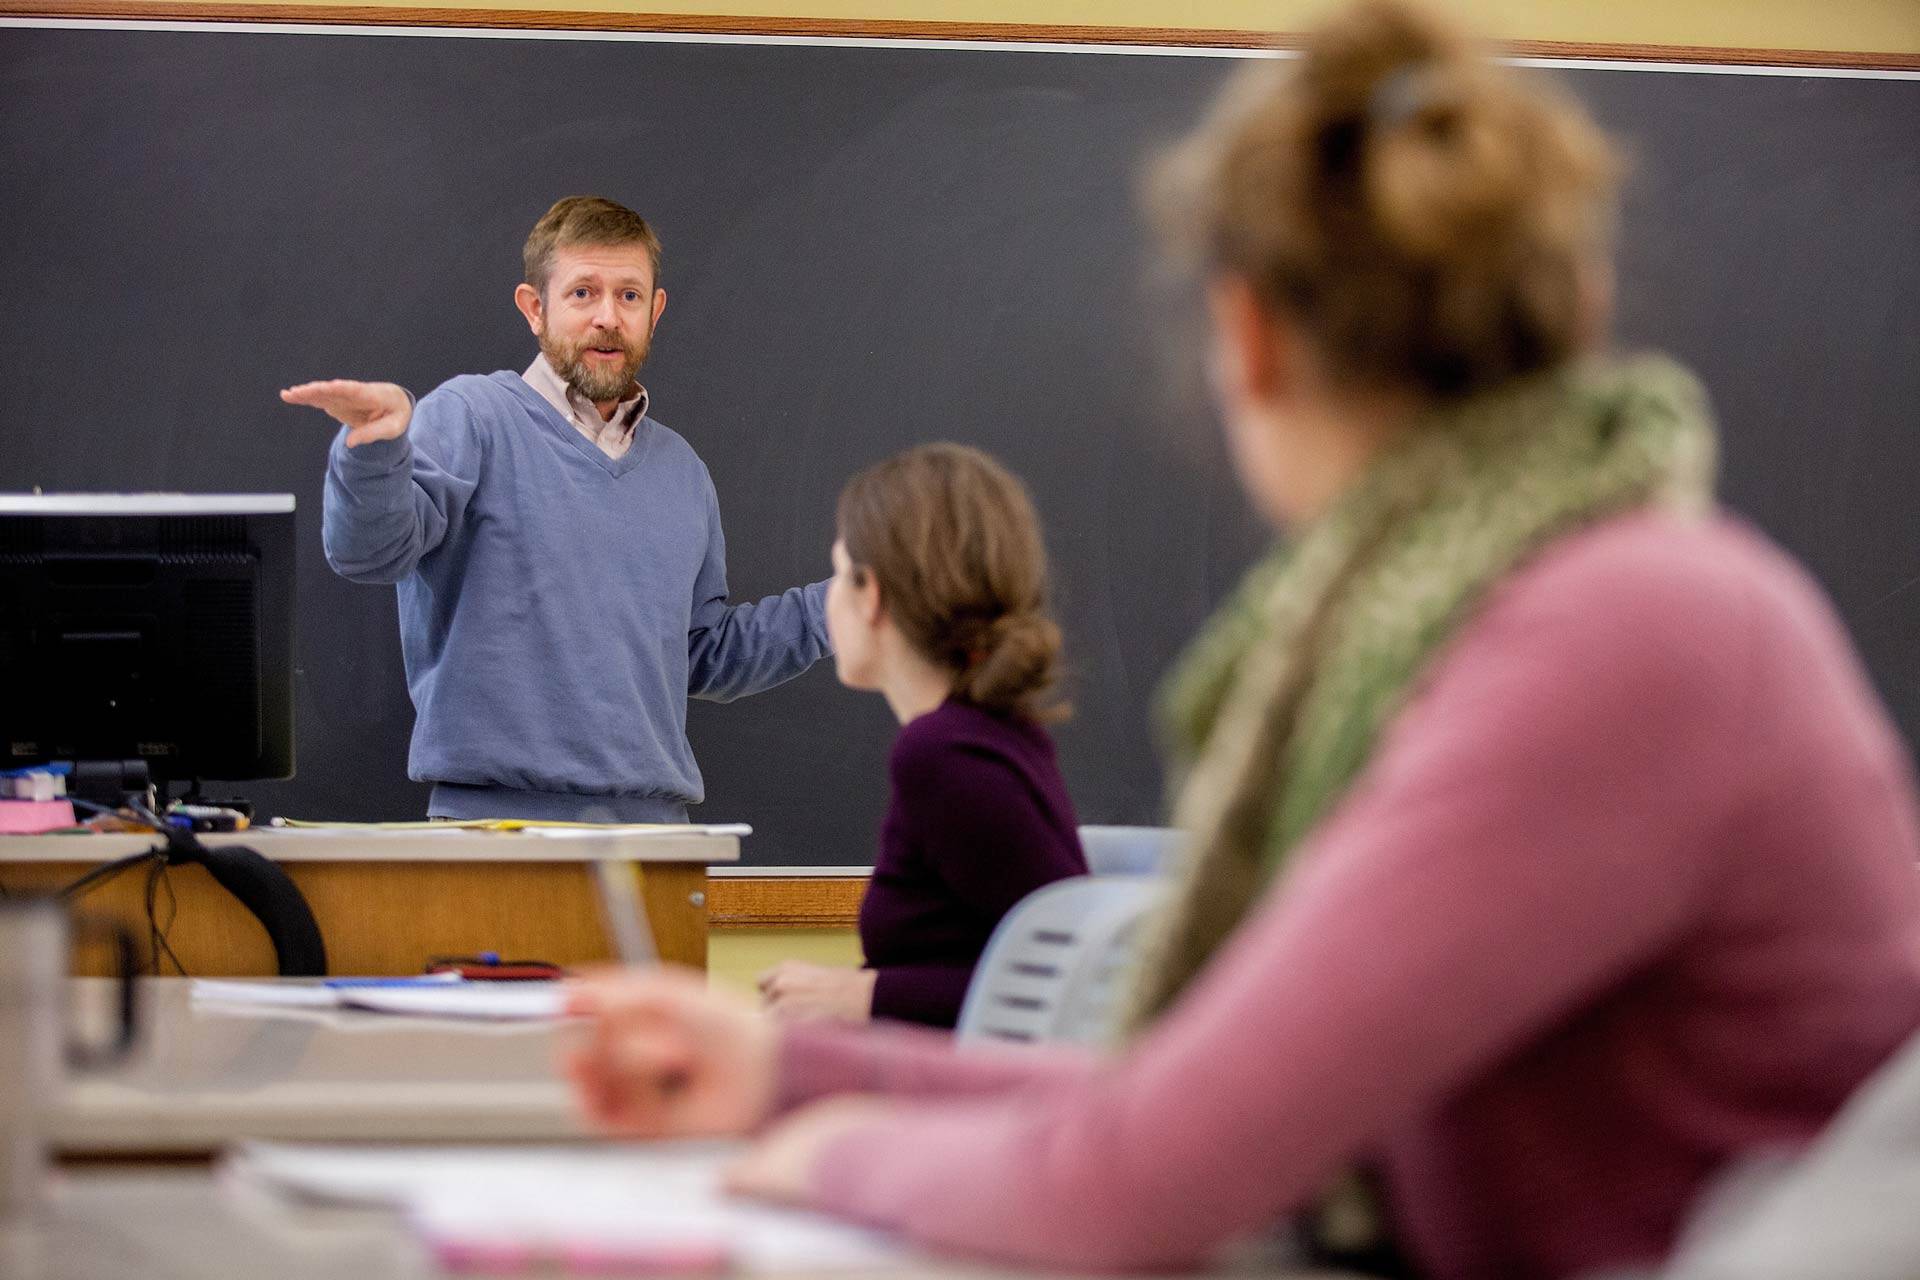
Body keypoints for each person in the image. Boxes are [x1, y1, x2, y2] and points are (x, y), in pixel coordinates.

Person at [560, 5, 1920, 1278]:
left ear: (1247, 338)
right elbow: (1193, 1106)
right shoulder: (1559, 609)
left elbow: (1137, 1180)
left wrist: (833, 1152)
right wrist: (786, 1071)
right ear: (1578, 303)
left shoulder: (1610, 639)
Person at [282, 197, 829, 821]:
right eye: (582, 293)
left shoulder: (683, 473)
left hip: (655, 841)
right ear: (535, 308)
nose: (607, 317)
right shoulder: (471, 417)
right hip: (495, 837)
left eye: (628, 296)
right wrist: (375, 450)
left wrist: (841, 607)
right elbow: (370, 552)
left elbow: (703, 655)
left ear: (655, 311)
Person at [755, 444, 1089, 1028]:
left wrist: (860, 997)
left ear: (872, 593)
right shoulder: (988, 734)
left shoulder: (942, 756)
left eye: (838, 573)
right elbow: (982, 957)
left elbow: (1063, 979)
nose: (828, 599)